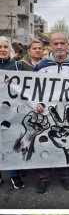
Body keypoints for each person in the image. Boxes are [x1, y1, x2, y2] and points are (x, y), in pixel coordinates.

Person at [33, 32, 69, 194]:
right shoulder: (40, 66)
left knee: (65, 141)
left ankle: (66, 176)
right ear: (51, 46)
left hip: (67, 113)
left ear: (68, 45)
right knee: (44, 143)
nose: (59, 47)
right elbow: (31, 88)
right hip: (46, 113)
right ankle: (43, 178)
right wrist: (36, 103)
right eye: (56, 44)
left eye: (63, 43)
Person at [0, 37, 26, 190]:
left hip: (12, 110)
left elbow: (25, 86)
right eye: (0, 47)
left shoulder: (18, 65)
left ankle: (14, 174)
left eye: (5, 46)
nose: (2, 49)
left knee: (13, 141)